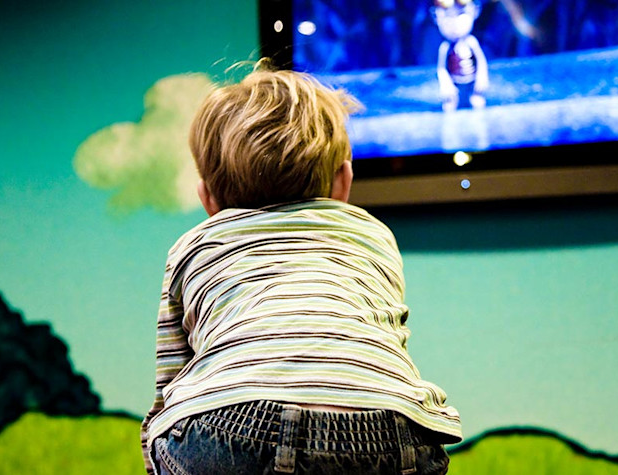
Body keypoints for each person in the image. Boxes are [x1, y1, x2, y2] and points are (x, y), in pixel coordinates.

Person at [141, 60, 462, 475]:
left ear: (208, 202)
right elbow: (385, 343)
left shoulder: (195, 245)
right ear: (343, 183)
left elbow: (170, 381)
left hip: (231, 425)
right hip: (388, 427)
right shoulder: (373, 236)